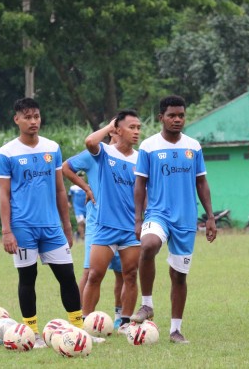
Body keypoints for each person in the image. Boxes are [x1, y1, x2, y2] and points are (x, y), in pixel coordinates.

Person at [0, 97, 92, 349]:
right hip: (22, 228)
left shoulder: (52, 147)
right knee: (28, 278)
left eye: (36, 116)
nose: (33, 121)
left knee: (68, 277)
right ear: (16, 119)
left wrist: (67, 226)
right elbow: (4, 195)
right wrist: (7, 231)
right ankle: (32, 334)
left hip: (51, 228)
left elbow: (61, 191)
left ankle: (79, 330)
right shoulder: (7, 152)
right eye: (27, 117)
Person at [132, 95, 217, 344]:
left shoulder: (193, 146)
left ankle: (175, 330)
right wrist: (138, 219)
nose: (177, 119)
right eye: (172, 115)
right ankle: (146, 305)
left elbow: (201, 182)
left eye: (181, 115)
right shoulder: (149, 146)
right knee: (148, 246)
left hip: (186, 220)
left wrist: (210, 217)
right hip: (158, 214)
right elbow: (140, 184)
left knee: (179, 276)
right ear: (161, 118)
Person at [80, 110, 142, 335]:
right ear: (118, 129)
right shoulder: (105, 152)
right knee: (95, 275)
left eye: (138, 127)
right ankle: (86, 326)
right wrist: (109, 127)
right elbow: (89, 141)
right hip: (105, 227)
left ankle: (125, 323)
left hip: (130, 230)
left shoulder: (141, 158)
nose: (136, 132)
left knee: (130, 275)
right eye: (131, 127)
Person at [63, 134, 125, 328]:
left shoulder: (130, 157)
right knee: (90, 272)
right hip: (97, 223)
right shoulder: (95, 154)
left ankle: (120, 318)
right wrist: (86, 187)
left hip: (123, 223)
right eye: (121, 130)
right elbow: (66, 167)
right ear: (113, 133)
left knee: (123, 273)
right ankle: (79, 320)